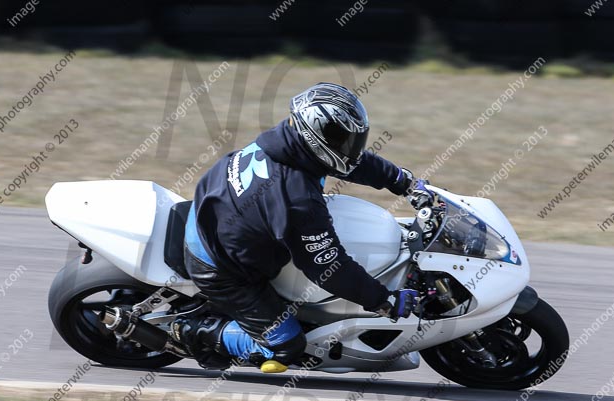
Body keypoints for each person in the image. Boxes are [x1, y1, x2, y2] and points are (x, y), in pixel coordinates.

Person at [172, 82, 430, 373]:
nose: (350, 146)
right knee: (288, 345)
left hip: (213, 209)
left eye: (353, 138)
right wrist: (384, 301)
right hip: (218, 266)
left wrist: (404, 182)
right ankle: (193, 330)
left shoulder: (287, 141)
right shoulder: (296, 198)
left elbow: (350, 162)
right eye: (342, 138)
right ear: (313, 134)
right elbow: (329, 270)